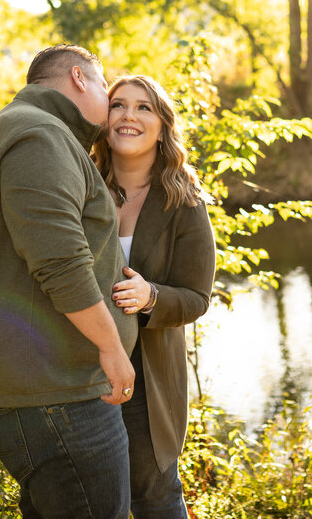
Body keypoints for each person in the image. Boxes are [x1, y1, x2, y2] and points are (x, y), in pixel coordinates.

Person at [0, 44, 138, 519]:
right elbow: (59, 262)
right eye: (103, 83)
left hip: (43, 391)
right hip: (60, 395)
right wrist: (112, 347)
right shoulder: (40, 135)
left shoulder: (9, 130)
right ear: (78, 78)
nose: (108, 95)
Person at [93, 74, 217, 519]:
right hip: (77, 369)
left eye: (144, 107)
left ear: (162, 125)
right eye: (118, 105)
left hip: (147, 375)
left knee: (156, 499)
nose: (129, 115)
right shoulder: (79, 184)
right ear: (103, 119)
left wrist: (150, 297)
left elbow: (197, 297)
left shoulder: (183, 200)